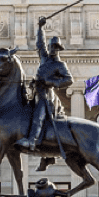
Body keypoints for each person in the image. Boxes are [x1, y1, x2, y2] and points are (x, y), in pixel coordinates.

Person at [15, 16, 71, 152]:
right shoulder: (44, 58)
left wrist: (50, 82)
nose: (52, 49)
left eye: (55, 47)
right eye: (51, 46)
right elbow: (40, 44)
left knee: (39, 113)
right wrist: (40, 28)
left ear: (59, 49)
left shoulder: (60, 65)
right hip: (36, 92)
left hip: (47, 96)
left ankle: (32, 141)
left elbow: (69, 80)